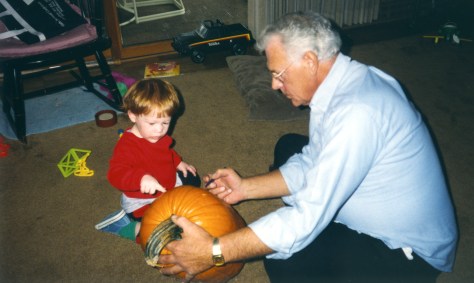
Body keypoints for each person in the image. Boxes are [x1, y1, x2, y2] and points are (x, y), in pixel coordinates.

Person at [157, 11, 458, 283]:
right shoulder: (345, 82)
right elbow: (312, 159)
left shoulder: (358, 114)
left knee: (288, 264)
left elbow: (305, 217)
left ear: (310, 61)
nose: (274, 84)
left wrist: (214, 252)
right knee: (289, 146)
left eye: (278, 73)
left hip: (403, 253)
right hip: (372, 195)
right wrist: (245, 188)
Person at [95, 78, 200, 242]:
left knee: (193, 178)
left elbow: (166, 153)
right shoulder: (127, 146)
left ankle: (173, 201)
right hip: (142, 200)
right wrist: (140, 178)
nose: (160, 130)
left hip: (167, 185)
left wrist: (179, 162)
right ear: (133, 116)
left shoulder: (156, 135)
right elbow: (115, 174)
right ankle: (126, 226)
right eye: (152, 123)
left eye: (166, 122)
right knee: (161, 231)